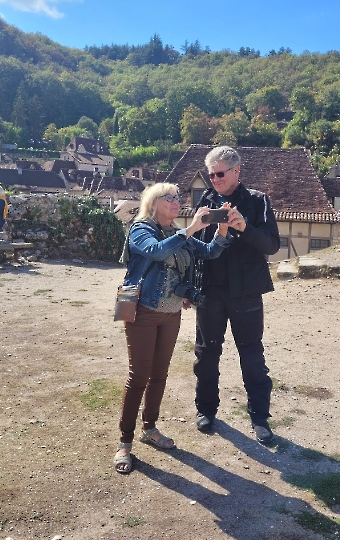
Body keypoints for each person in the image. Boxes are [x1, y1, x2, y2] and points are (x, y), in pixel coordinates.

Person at [114, 183, 230, 474]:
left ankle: (150, 428)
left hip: (171, 312)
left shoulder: (176, 231)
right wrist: (190, 229)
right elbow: (154, 252)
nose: (177, 201)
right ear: (154, 203)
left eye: (179, 197)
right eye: (170, 197)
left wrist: (223, 228)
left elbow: (209, 252)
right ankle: (124, 443)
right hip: (142, 310)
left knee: (159, 375)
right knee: (138, 376)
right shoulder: (141, 228)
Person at [192, 146, 281, 445]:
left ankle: (259, 417)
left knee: (252, 355)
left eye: (219, 173)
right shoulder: (205, 200)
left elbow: (271, 245)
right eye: (211, 174)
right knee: (206, 354)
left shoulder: (257, 201)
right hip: (211, 292)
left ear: (236, 171)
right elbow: (196, 247)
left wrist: (244, 227)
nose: (214, 179)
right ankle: (205, 410)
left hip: (246, 292)